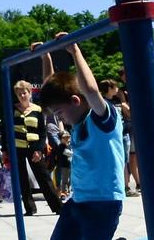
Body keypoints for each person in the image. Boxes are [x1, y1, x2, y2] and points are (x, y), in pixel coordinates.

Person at [37, 32, 126, 240]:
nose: (60, 119)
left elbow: (91, 91)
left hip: (103, 203)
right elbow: (52, 89)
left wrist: (74, 50)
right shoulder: (76, 122)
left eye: (60, 113)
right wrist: (45, 57)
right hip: (78, 200)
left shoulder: (102, 119)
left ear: (76, 101)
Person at [12, 78, 62, 215]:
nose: (22, 96)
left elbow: (42, 131)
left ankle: (58, 207)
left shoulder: (37, 109)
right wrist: (5, 150)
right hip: (17, 148)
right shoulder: (12, 109)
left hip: (34, 148)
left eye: (25, 93)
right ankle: (29, 208)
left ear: (30, 93)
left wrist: (39, 150)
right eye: (19, 94)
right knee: (22, 179)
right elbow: (6, 131)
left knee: (44, 177)